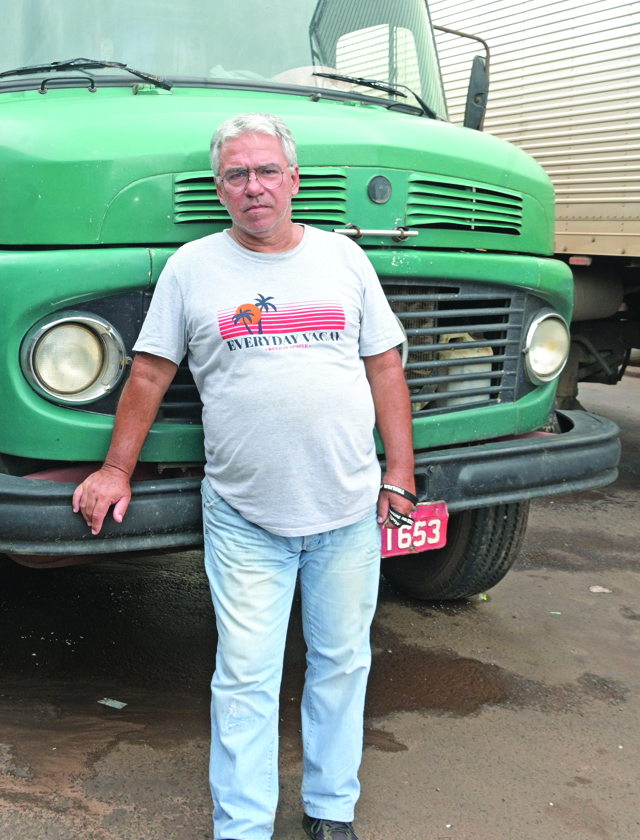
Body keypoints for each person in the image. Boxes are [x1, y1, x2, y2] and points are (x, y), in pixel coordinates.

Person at [74, 113, 417, 840]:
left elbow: (384, 365)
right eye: (237, 175)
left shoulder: (343, 259)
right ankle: (242, 827)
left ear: (293, 180)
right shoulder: (193, 267)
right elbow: (149, 373)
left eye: (266, 171)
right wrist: (114, 469)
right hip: (244, 517)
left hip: (348, 510)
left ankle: (331, 811)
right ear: (220, 189)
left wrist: (400, 474)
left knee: (341, 664)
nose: (253, 187)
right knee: (245, 680)